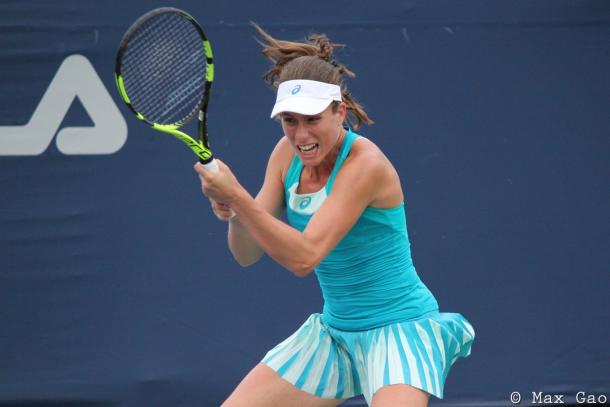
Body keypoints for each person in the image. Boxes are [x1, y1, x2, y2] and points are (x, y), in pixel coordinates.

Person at [194, 24, 475, 407]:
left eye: (312, 119)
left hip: (401, 331)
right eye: (290, 120)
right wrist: (234, 214)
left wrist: (240, 199)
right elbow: (247, 254)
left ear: (339, 112)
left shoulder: (366, 164)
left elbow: (304, 257)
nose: (300, 134)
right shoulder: (283, 155)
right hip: (335, 336)